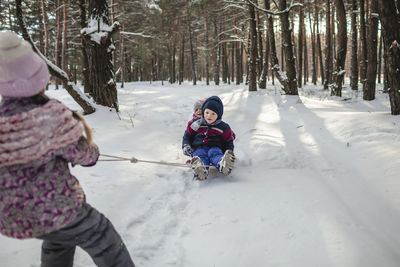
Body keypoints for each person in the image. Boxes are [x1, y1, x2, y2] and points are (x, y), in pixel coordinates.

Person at [0, 31, 134, 267]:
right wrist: (93, 154)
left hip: (11, 217)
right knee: (103, 236)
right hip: (57, 208)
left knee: (58, 238)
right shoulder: (50, 114)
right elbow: (82, 154)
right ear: (39, 77)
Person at [182, 96, 236, 180]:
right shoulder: (195, 124)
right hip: (199, 147)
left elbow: (229, 140)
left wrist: (229, 152)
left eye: (213, 113)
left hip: (215, 147)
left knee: (215, 154)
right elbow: (187, 136)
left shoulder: (223, 127)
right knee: (200, 155)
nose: (209, 116)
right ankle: (201, 170)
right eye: (207, 112)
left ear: (218, 115)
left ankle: (223, 164)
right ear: (203, 111)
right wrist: (186, 145)